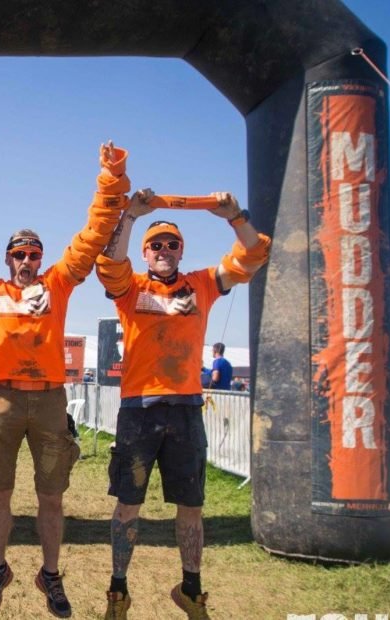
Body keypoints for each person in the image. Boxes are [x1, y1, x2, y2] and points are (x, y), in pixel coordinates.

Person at [0, 143, 129, 617]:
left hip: (49, 400)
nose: (27, 261)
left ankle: (50, 575)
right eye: (19, 254)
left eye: (33, 254)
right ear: (7, 259)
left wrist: (110, 177)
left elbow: (91, 238)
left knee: (51, 495)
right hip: (4, 399)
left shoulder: (58, 283)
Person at [95, 186, 270, 620]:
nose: (165, 250)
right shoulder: (130, 287)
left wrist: (235, 216)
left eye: (172, 244)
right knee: (128, 505)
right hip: (139, 411)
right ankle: (118, 591)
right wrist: (132, 216)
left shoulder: (202, 285)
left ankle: (191, 590)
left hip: (187, 409)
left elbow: (254, 255)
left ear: (181, 251)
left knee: (192, 505)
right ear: (146, 252)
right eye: (156, 245)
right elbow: (107, 263)